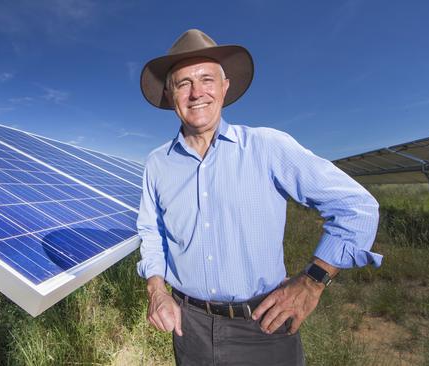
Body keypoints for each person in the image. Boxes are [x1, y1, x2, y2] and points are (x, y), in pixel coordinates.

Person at [136, 29, 382, 365]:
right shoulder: (157, 163)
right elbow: (152, 233)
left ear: (225, 87)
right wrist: (157, 290)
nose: (197, 93)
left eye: (207, 79)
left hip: (263, 327)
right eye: (183, 83)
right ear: (170, 94)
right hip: (187, 328)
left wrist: (312, 283)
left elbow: (357, 207)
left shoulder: (267, 147)